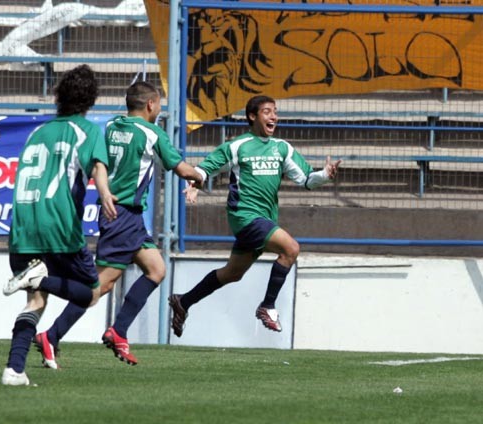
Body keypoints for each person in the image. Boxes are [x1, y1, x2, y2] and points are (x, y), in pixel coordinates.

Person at [32, 81, 204, 367]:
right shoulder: (151, 133)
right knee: (99, 286)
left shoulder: (112, 126)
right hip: (122, 215)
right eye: (159, 104)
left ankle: (118, 330)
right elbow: (182, 169)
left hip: (124, 216)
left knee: (156, 269)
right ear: (150, 104)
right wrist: (201, 176)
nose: (159, 109)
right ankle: (51, 333)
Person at [169, 95, 341, 337]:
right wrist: (194, 184)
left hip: (265, 219)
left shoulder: (282, 148)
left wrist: (324, 175)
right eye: (267, 111)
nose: (274, 117)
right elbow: (205, 168)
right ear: (252, 116)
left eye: (275, 112)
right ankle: (267, 306)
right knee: (291, 249)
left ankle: (183, 301)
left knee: (232, 273)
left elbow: (305, 180)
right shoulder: (237, 146)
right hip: (244, 216)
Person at [0, 64, 117, 386]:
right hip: (59, 225)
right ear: (91, 98)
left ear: (59, 96)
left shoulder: (38, 133)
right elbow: (98, 167)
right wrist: (104, 192)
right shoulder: (87, 130)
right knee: (90, 293)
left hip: (24, 226)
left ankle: (14, 369)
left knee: (35, 301)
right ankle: (40, 278)